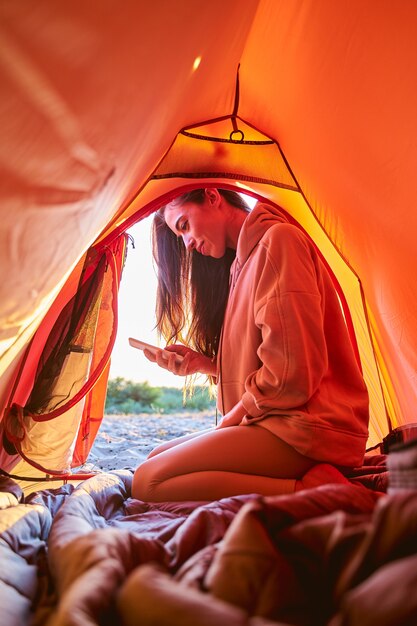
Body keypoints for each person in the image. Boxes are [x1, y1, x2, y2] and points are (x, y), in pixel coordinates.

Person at [132, 188, 370, 502]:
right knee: (154, 456)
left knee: (148, 483)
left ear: (213, 196)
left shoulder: (279, 242)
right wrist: (203, 364)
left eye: (185, 225)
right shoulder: (240, 266)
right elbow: (272, 358)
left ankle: (314, 488)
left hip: (307, 427)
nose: (187, 243)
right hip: (276, 420)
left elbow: (290, 375)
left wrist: (231, 421)